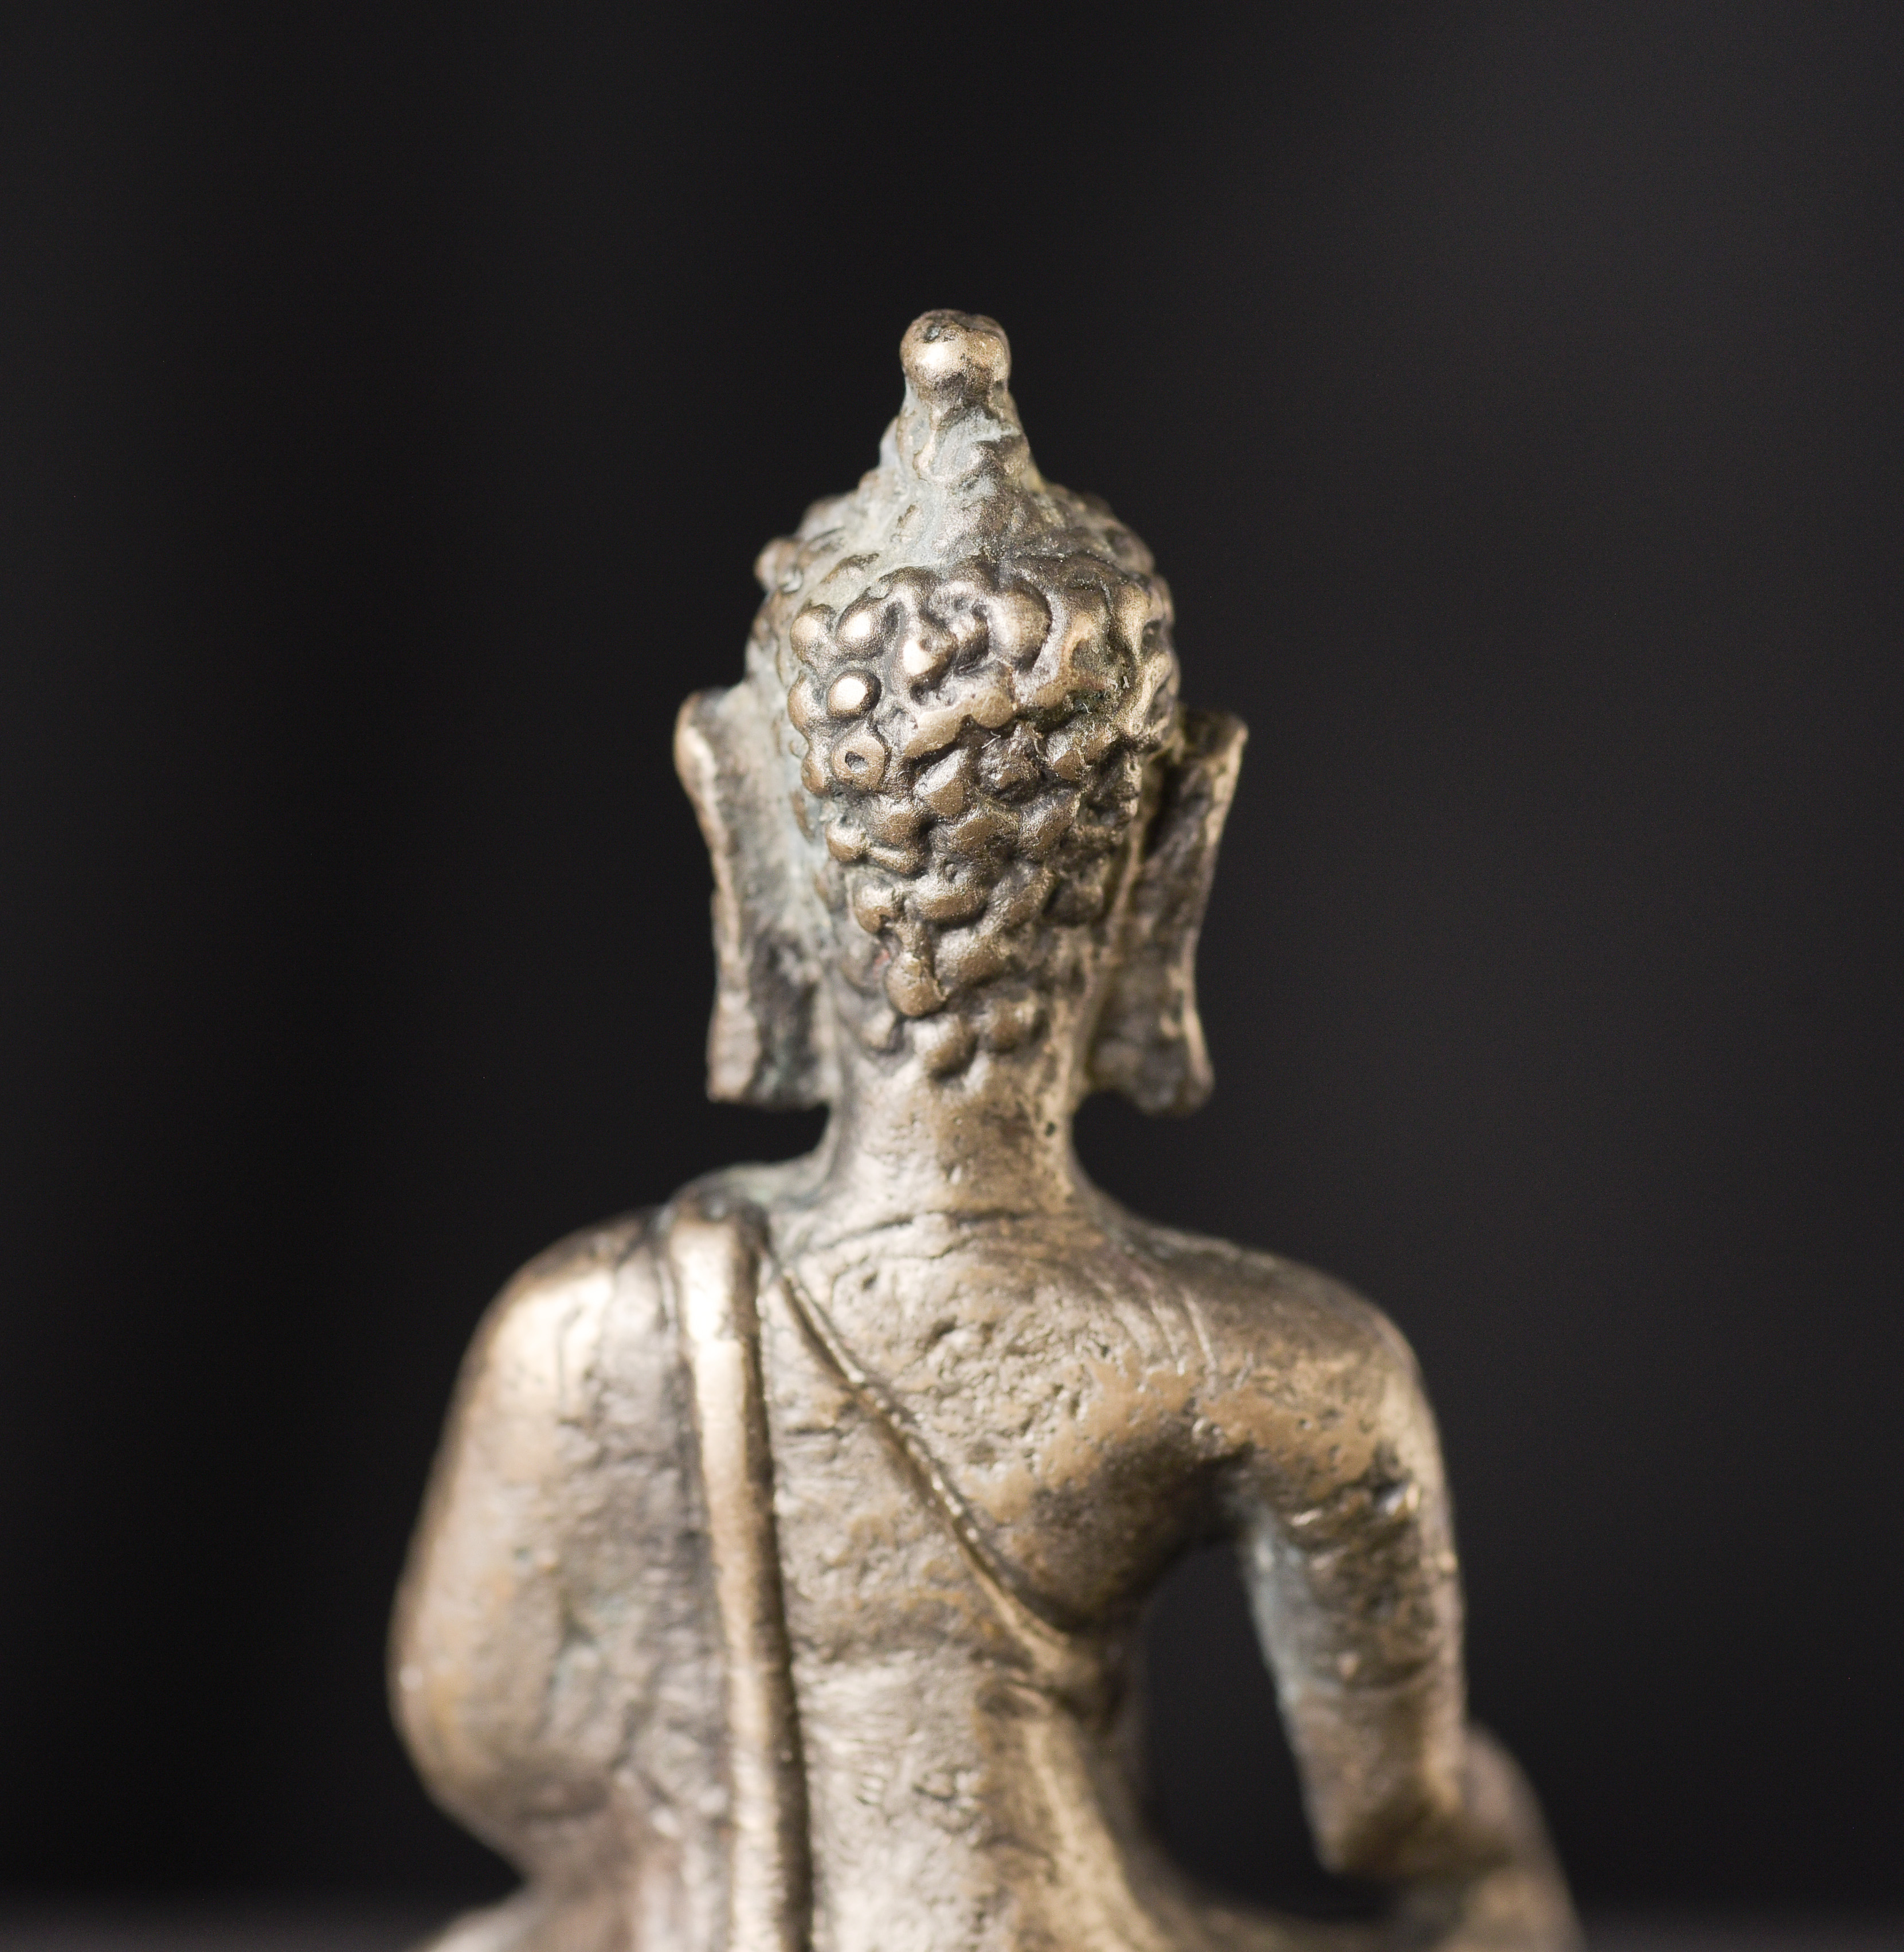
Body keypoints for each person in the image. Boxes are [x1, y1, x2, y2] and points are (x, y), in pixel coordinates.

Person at [391, 312, 1578, 1952]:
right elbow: (1389, 1810)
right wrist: (1493, 1855)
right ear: (1178, 855)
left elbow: (483, 1735)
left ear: (740, 834)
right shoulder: (1296, 1369)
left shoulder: (579, 1331)